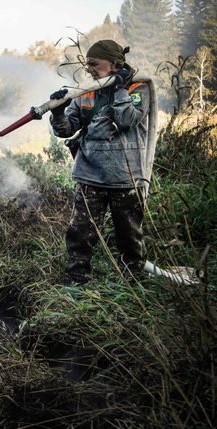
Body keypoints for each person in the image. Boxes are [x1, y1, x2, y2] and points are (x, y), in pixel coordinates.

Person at [49, 40, 151, 284]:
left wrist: (120, 89)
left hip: (125, 178)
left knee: (129, 238)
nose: (89, 69)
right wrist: (58, 112)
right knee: (80, 235)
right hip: (89, 176)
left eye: (94, 64)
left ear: (114, 63)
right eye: (88, 64)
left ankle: (133, 285)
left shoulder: (138, 87)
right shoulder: (86, 90)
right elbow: (66, 130)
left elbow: (127, 120)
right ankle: (76, 281)